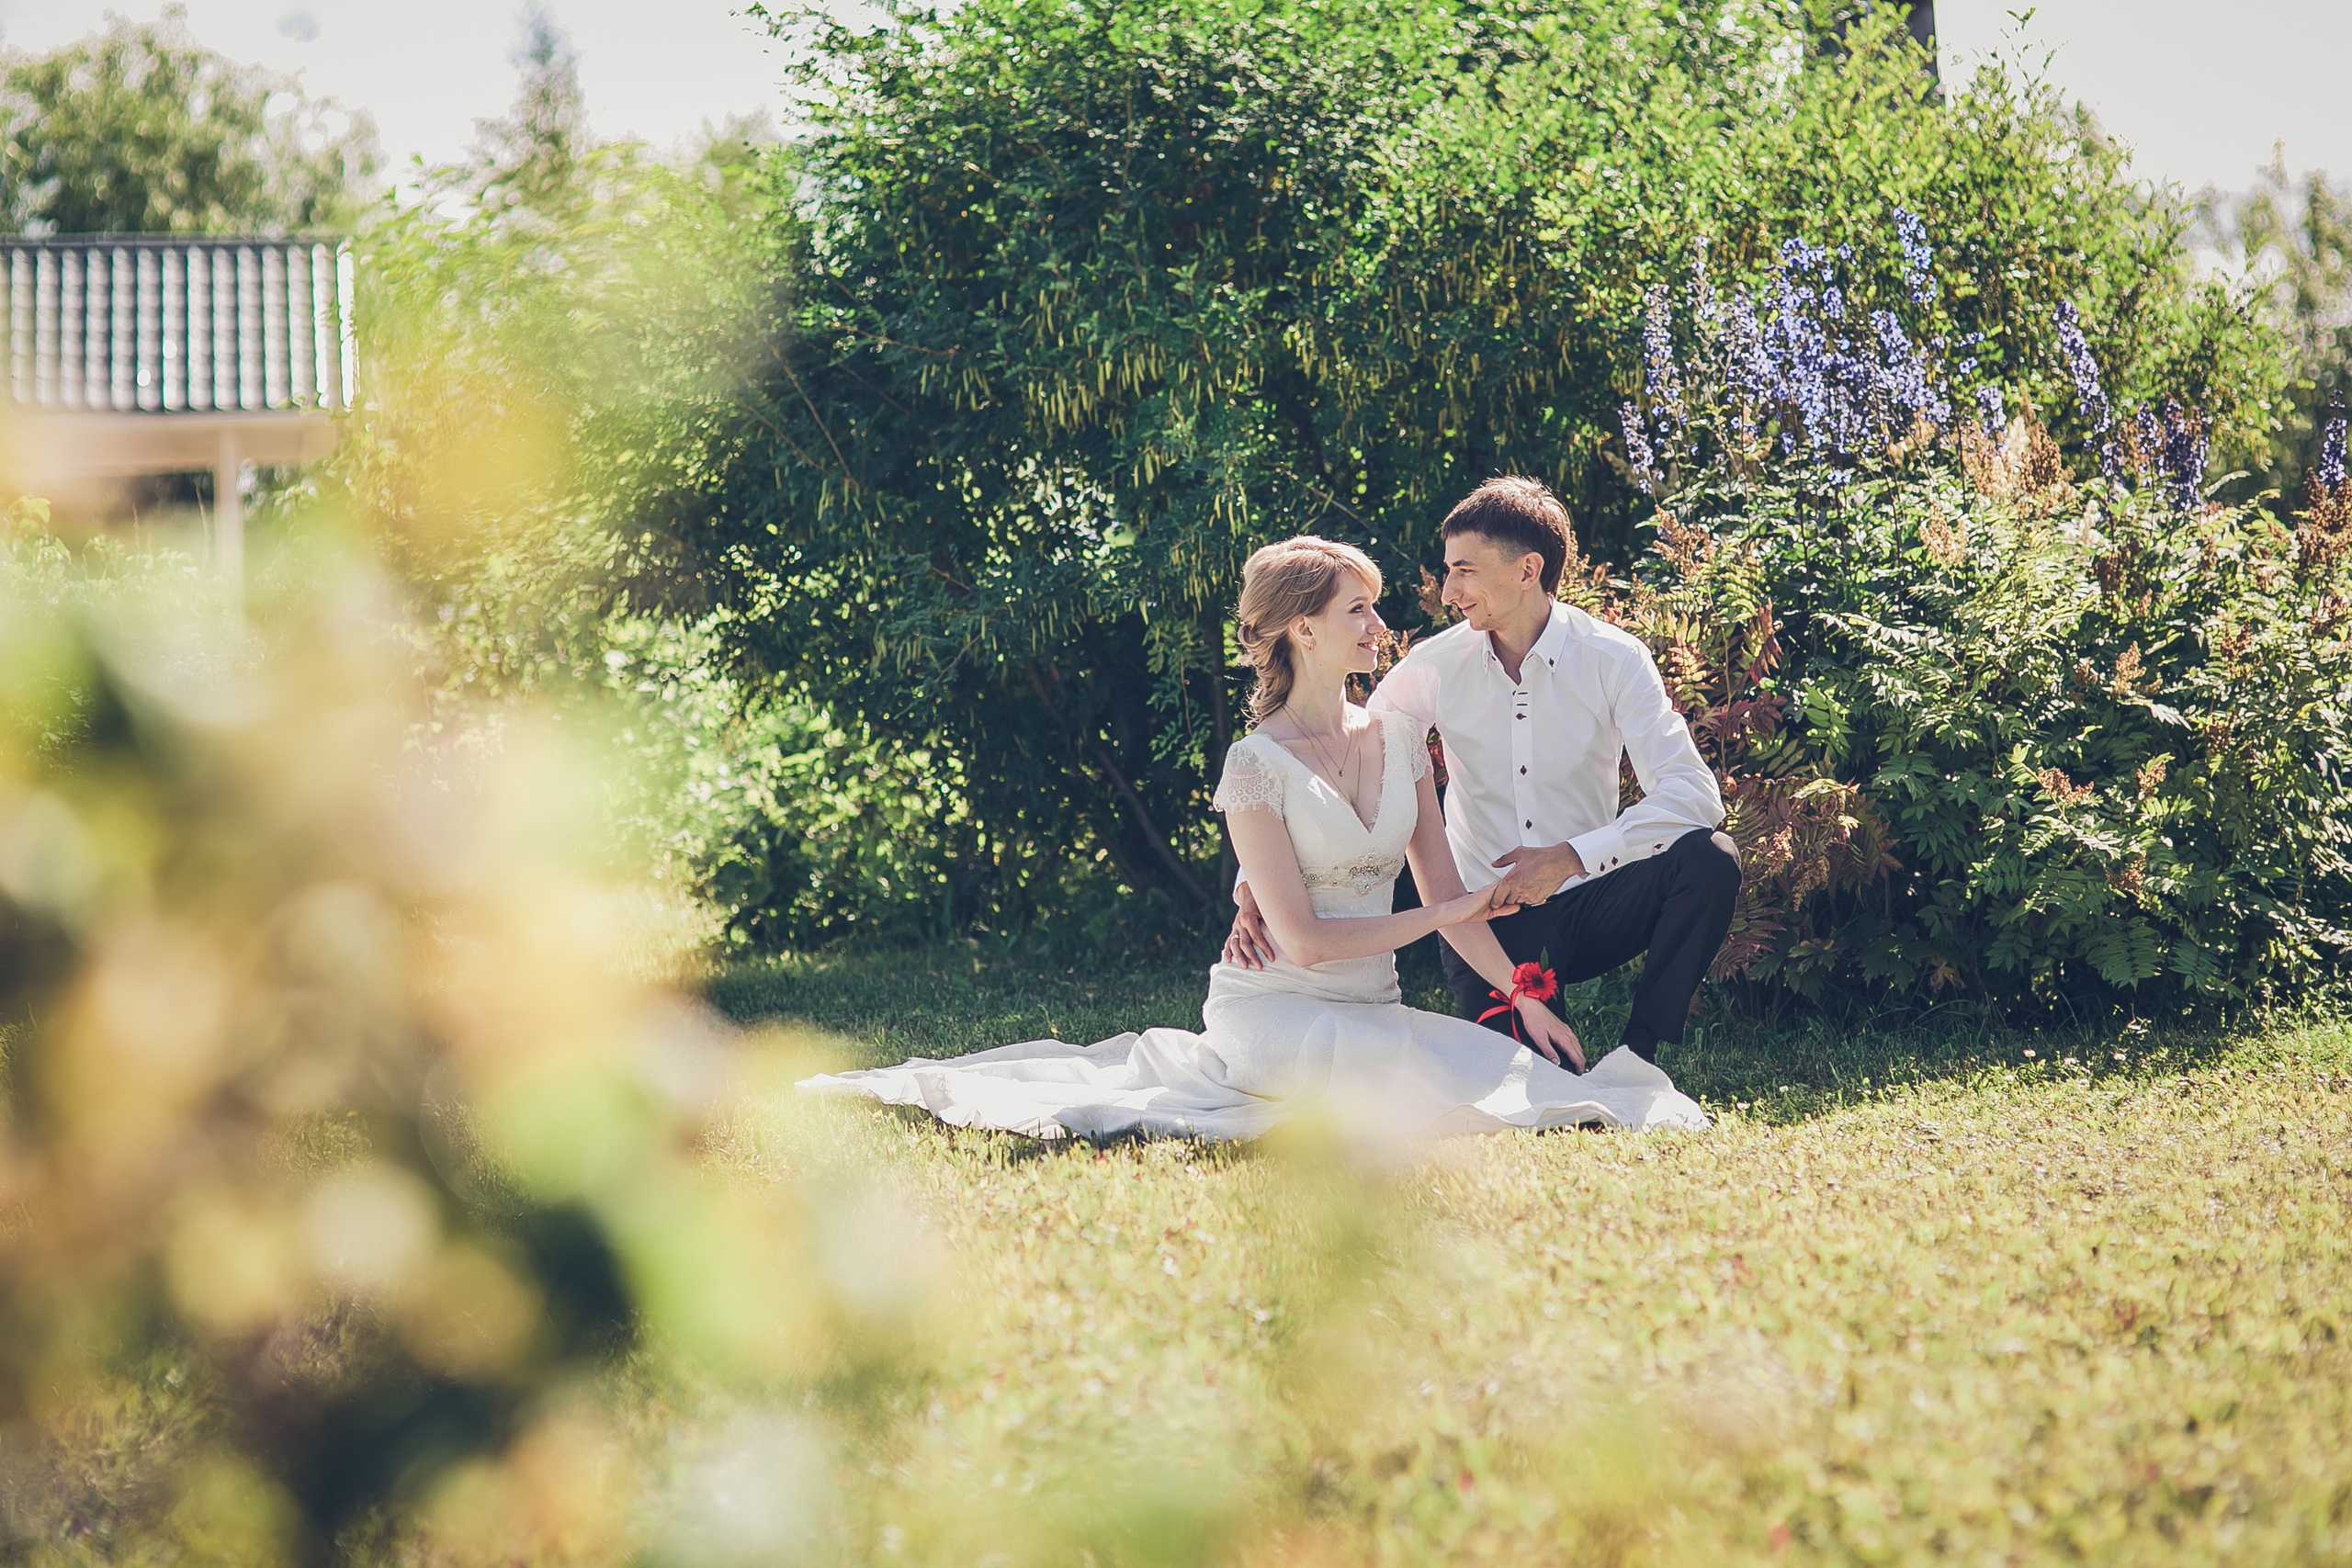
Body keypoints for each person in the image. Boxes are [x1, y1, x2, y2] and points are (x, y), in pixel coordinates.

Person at [799, 536, 1708, 1141]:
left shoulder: (1399, 740)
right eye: (1358, 611)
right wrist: (1451, 910)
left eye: (1376, 608)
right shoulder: (1253, 764)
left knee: (1504, 1075)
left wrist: (1522, 995)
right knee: (1418, 1100)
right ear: (1302, 629)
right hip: (1271, 1011)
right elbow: (1309, 942)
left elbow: (1440, 893)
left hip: (1370, 1006)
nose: (1381, 628)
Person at [1226, 477, 1741, 1066]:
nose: (1448, 592)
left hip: (1597, 899)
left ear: (1527, 571)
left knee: (1710, 858)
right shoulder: (1435, 666)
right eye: (1448, 571)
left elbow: (1694, 796)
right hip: (1489, 923)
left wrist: (1573, 857)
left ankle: (1641, 1052)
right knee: (1544, 1082)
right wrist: (1255, 887)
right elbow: (1329, 761)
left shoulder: (1614, 659)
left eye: (1464, 571)